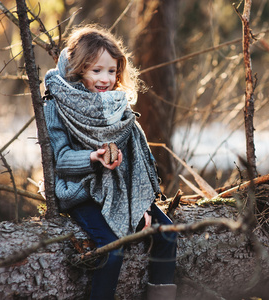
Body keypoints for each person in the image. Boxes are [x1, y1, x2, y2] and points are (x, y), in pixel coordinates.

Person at [43, 25, 177, 300]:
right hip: (83, 191)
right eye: (96, 70)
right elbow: (61, 160)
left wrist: (138, 206)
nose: (106, 78)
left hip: (121, 187)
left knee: (166, 234)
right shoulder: (56, 104)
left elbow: (133, 160)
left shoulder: (118, 104)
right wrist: (93, 157)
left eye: (112, 71)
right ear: (79, 69)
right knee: (112, 250)